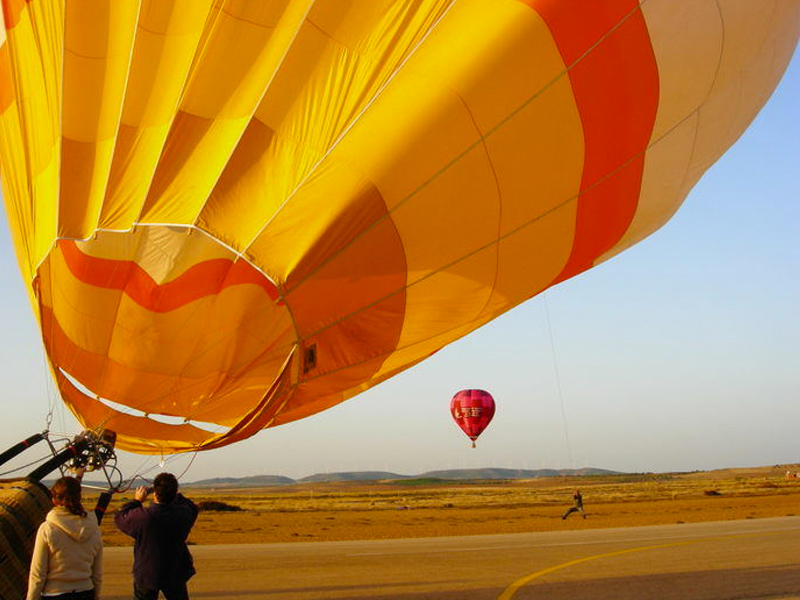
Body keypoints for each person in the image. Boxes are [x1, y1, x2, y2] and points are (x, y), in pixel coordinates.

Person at [115, 473, 198, 600]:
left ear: (154, 493)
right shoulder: (183, 514)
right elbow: (193, 508)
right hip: (176, 570)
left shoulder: (144, 517)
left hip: (147, 572)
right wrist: (175, 494)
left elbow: (120, 517)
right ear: (174, 493)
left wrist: (137, 501)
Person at [27, 476, 103, 600]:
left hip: (55, 592)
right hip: (85, 591)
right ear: (79, 497)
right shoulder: (94, 528)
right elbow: (97, 573)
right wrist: (96, 594)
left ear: (54, 500)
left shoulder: (47, 529)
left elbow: (38, 573)